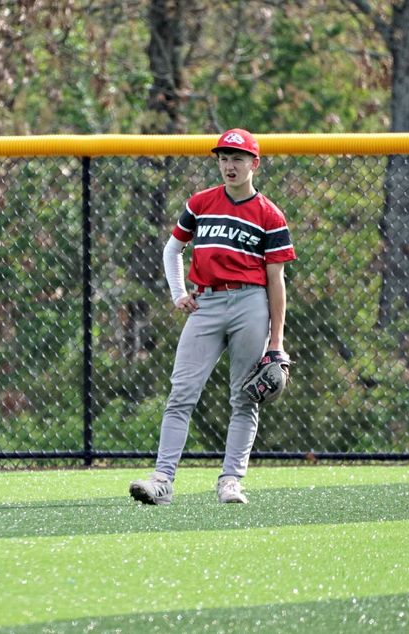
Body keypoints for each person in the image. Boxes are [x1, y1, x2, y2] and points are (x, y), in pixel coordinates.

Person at [129, 128, 297, 505]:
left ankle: (231, 481)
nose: (229, 165)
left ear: (254, 163)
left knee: (244, 398)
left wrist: (277, 343)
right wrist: (177, 294)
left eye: (237, 158)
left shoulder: (269, 214)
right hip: (205, 304)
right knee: (181, 394)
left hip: (250, 304)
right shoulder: (201, 203)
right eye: (223, 158)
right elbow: (172, 250)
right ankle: (162, 480)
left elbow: (276, 282)